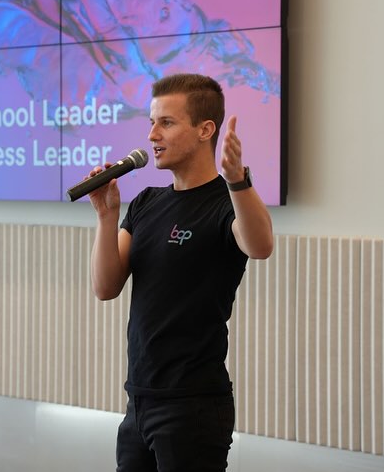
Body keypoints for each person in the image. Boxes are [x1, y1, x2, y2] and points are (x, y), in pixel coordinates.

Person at [87, 73, 274, 472]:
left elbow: (260, 246)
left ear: (205, 130)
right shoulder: (146, 202)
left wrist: (238, 181)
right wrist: (106, 216)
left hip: (193, 407)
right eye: (152, 122)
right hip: (139, 401)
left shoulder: (226, 203)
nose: (152, 135)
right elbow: (105, 287)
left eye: (166, 123)